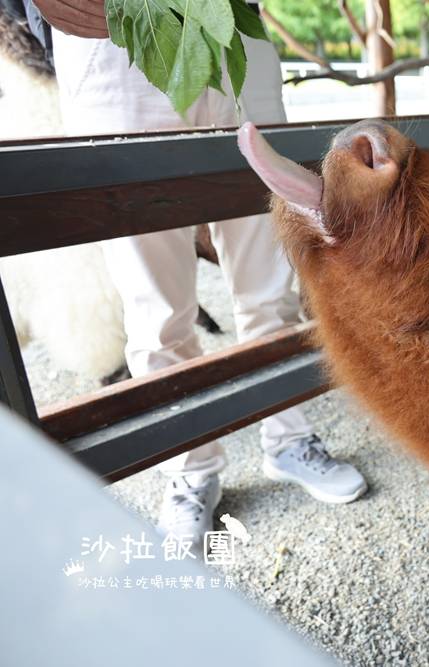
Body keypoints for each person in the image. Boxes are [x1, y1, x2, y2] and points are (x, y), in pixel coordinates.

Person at [34, 0, 368, 546]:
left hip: (237, 30)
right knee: (153, 305)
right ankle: (190, 472)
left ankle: (287, 436)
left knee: (271, 280)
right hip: (113, 45)